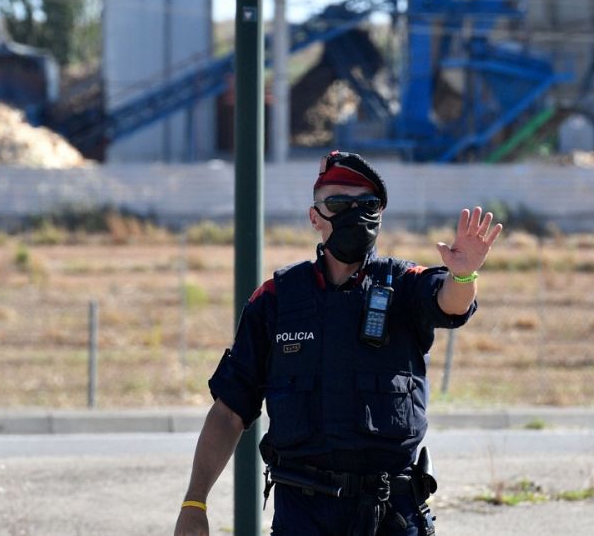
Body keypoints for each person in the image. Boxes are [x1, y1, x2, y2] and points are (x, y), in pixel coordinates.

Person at [174, 150, 502, 536]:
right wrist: (195, 502)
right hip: (303, 515)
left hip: (391, 515)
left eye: (366, 204)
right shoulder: (275, 300)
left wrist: (463, 277)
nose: (353, 214)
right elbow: (229, 411)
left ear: (379, 215)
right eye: (337, 203)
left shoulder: (404, 284)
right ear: (315, 217)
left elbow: (449, 302)